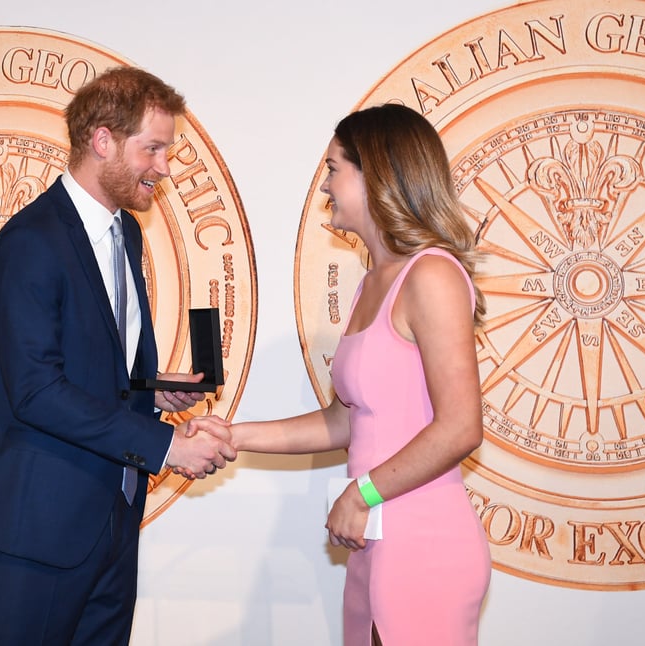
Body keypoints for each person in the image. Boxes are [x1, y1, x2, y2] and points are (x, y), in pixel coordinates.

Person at [0, 66, 235, 646]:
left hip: (113, 522)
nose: (164, 167)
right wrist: (167, 445)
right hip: (38, 532)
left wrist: (151, 389)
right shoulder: (29, 243)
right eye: (154, 148)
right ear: (103, 139)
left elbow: (92, 365)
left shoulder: (125, 234)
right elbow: (35, 390)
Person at [210, 103, 491, 645]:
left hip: (423, 543)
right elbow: (345, 423)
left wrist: (360, 494)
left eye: (335, 168)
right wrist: (235, 436)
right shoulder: (372, 282)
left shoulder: (431, 275)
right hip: (377, 539)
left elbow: (460, 428)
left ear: (377, 174)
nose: (326, 187)